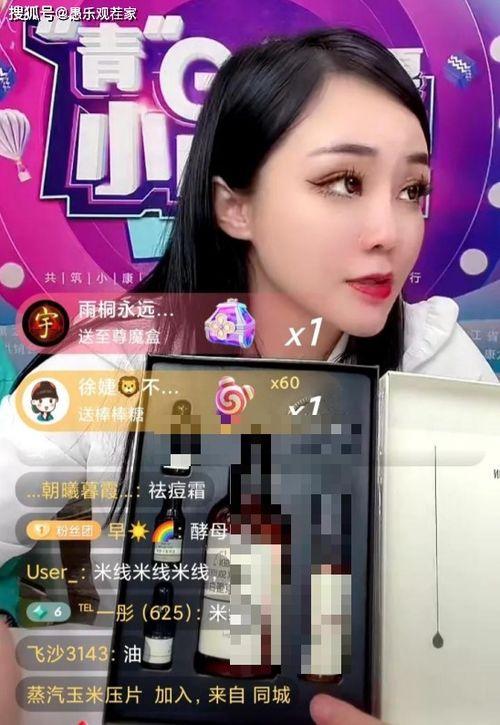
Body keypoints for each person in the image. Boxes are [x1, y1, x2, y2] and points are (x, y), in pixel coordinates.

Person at [0, 27, 497, 724]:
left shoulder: (432, 356)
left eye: (412, 189)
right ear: (235, 206)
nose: (391, 230)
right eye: (343, 182)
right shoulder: (113, 366)